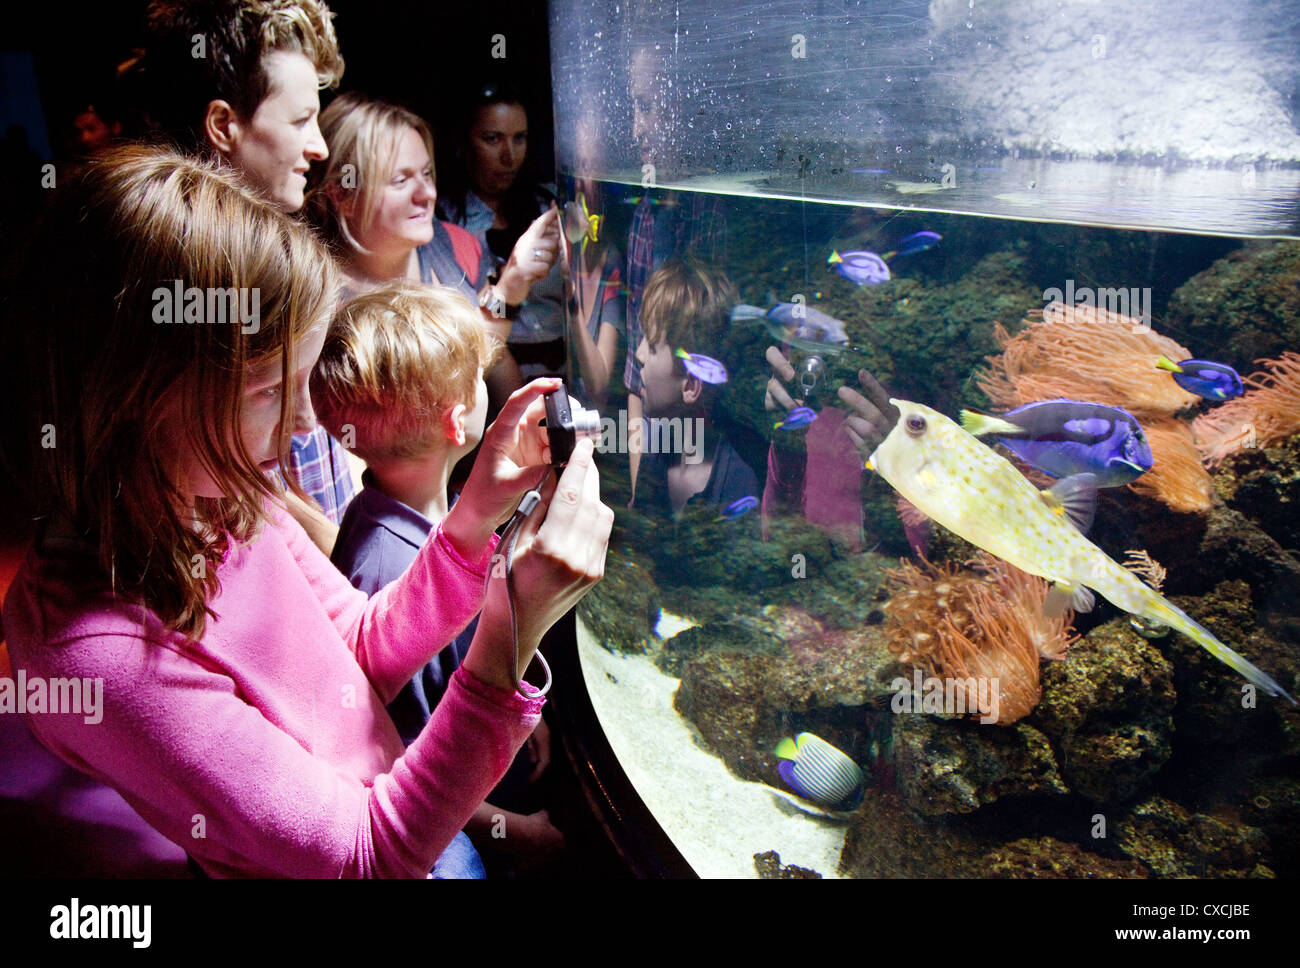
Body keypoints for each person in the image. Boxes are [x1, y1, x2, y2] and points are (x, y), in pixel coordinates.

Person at [0, 145, 612, 877]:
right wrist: (511, 631)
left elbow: (359, 648)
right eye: (267, 390)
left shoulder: (224, 489)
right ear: (128, 395)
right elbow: (365, 854)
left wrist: (477, 511)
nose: (304, 424)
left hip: (409, 801)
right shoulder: (93, 655)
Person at [312, 282, 564, 872]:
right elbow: (407, 757)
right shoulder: (390, 571)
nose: (487, 385)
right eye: (480, 379)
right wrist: (513, 830)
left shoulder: (384, 509)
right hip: (446, 833)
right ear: (458, 423)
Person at [135, 0, 355, 553]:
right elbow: (243, 493)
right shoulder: (183, 281)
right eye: (301, 119)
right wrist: (361, 560)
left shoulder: (275, 248)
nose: (320, 146)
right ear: (223, 124)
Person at [305, 91, 559, 412]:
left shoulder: (449, 243)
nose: (427, 194)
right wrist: (510, 286)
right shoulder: (316, 302)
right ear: (342, 195)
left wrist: (512, 283)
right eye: (401, 180)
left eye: (426, 173)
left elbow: (486, 352)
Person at [439, 81, 571, 386]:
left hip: (566, 372)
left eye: (519, 138)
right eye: (492, 139)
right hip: (490, 378)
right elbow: (469, 333)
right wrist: (511, 282)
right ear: (463, 142)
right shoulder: (444, 228)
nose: (509, 156)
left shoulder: (550, 207)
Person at [633, 257, 760, 517]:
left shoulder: (741, 483)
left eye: (653, 347)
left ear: (691, 385)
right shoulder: (657, 452)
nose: (639, 354)